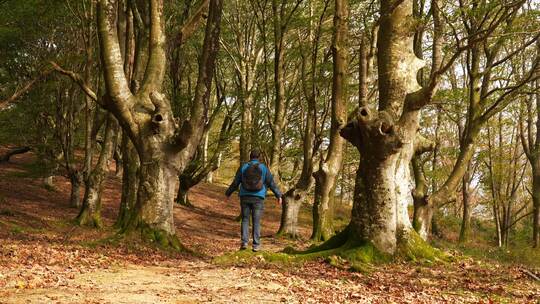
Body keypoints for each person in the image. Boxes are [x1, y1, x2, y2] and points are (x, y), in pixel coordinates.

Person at [225, 149, 282, 252]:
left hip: (244, 197)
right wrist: (278, 195)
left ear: (250, 157)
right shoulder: (263, 168)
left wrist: (228, 193)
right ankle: (256, 245)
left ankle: (244, 242)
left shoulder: (244, 167)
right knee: (256, 221)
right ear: (259, 157)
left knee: (245, 219)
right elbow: (271, 183)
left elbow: (236, 182)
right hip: (258, 198)